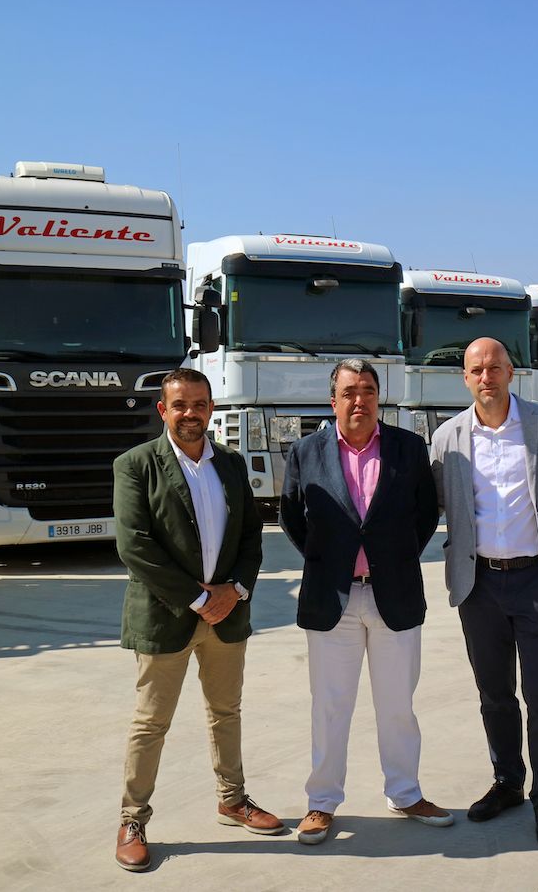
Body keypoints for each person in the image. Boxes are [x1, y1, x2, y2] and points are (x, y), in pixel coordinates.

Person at [112, 368, 281, 873]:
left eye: (200, 404)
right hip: (166, 616)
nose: (191, 414)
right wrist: (197, 597)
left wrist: (236, 590)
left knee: (226, 712)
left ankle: (233, 800)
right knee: (151, 723)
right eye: (180, 405)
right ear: (163, 410)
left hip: (226, 615)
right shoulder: (136, 465)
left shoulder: (230, 464)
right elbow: (134, 545)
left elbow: (251, 535)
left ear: (211, 408)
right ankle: (132, 819)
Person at [279, 359, 448, 845]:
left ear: (379, 397)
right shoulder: (306, 451)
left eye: (368, 390)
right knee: (330, 707)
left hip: (393, 593)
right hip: (331, 597)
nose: (360, 400)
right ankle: (322, 802)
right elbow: (292, 516)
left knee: (398, 705)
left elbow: (424, 516)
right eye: (350, 391)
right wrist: (331, 560)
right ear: (332, 400)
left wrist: (390, 560)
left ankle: (405, 792)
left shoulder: (408, 448)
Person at [430, 337, 538, 847]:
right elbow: (439, 503)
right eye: (476, 370)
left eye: (495, 367)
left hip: (537, 579)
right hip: (479, 584)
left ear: (512, 373)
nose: (486, 377)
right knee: (494, 694)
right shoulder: (447, 438)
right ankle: (508, 782)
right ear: (465, 378)